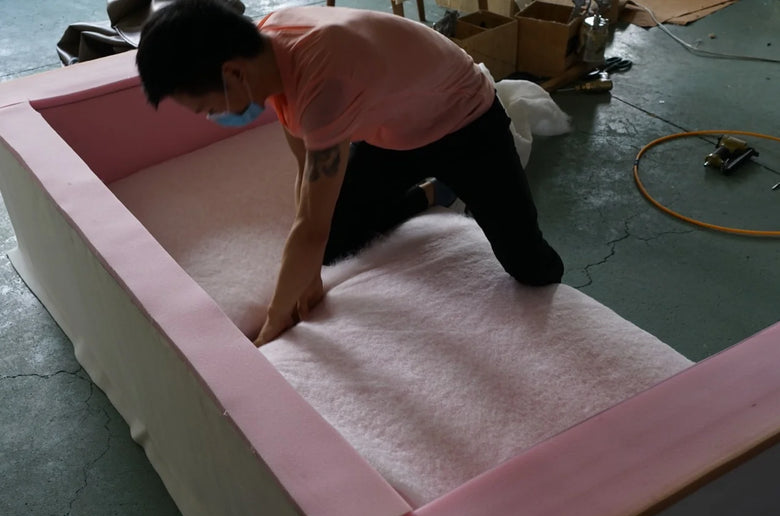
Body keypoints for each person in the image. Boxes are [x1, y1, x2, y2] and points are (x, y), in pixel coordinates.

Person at [136, 0, 564, 345]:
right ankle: (435, 195)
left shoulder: (322, 81)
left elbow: (309, 226)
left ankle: (466, 192)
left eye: (208, 108)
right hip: (393, 131)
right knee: (331, 244)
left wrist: (269, 330)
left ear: (232, 73)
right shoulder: (264, 50)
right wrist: (306, 273)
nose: (214, 117)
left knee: (529, 267)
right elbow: (306, 165)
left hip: (465, 122)